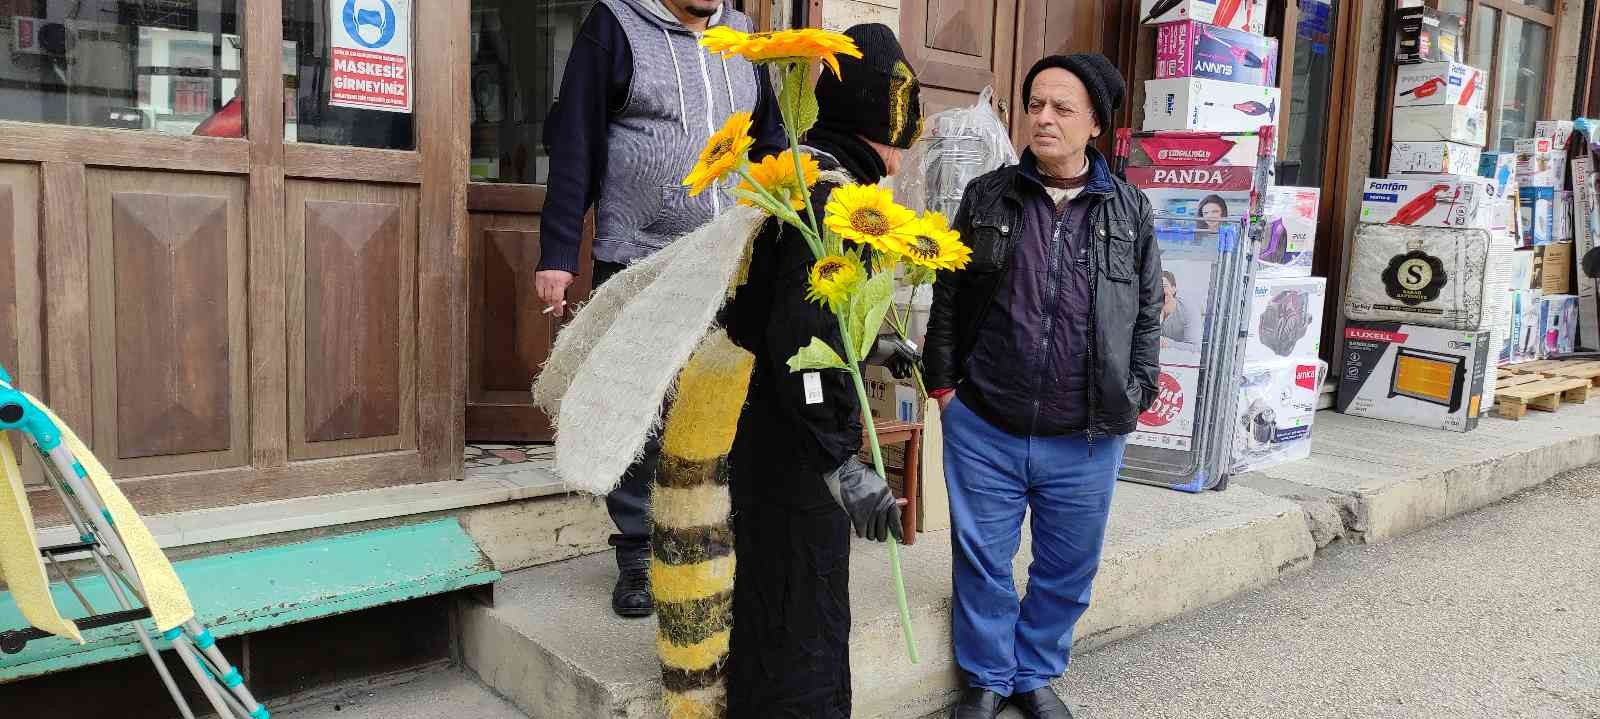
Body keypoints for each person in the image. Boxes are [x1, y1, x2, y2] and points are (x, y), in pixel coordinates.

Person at [923, 53, 1162, 719]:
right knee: (983, 560)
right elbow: (949, 295)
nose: (1044, 118)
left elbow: (1146, 312)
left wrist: (1137, 391)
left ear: (1095, 124)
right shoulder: (988, 196)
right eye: (1035, 105)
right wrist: (943, 387)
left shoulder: (1131, 211)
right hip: (987, 419)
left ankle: (1033, 672)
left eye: (1062, 107)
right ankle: (989, 676)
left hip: (1085, 432)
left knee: (1066, 568)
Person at [535, 0, 785, 618]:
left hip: (729, 256)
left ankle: (705, 538)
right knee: (636, 404)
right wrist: (559, 250)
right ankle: (638, 553)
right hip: (639, 256)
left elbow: (770, 137)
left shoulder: (742, 37)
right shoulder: (615, 26)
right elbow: (576, 141)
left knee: (718, 401)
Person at [720, 23, 922, 718]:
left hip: (769, 443)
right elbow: (796, 338)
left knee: (777, 611)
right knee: (799, 623)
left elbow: (777, 316)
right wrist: (839, 461)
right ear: (887, 113)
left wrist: (869, 346)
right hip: (795, 459)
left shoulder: (801, 177)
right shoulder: (833, 199)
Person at [1160, 270, 1195, 345]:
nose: (1160, 291)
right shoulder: (1150, 309)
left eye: (1164, 286)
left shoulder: (1187, 310)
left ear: (1174, 289)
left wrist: (1168, 343)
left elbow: (1195, 347)